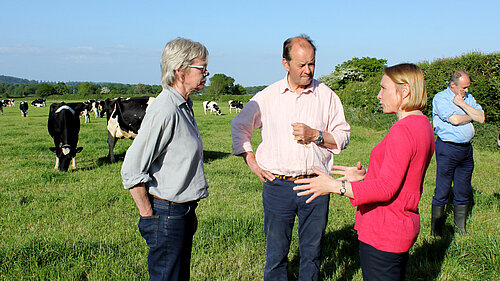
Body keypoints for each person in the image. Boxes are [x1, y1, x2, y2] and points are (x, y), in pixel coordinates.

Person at [293, 63, 435, 281]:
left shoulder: (402, 130)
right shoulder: (423, 125)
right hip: (401, 227)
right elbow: (403, 173)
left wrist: (334, 186)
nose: (379, 95)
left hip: (385, 230)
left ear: (404, 90)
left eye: (384, 88)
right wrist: (367, 175)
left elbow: (387, 188)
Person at [231, 34, 350, 281]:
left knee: (312, 252)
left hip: (316, 185)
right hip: (278, 185)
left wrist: (316, 135)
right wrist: (252, 162)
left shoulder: (326, 96)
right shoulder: (267, 97)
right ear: (285, 63)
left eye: (312, 64)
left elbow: (343, 136)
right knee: (276, 254)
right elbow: (239, 127)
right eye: (301, 65)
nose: (308, 70)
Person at [121, 37, 210, 281]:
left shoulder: (183, 105)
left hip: (180, 211)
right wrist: (148, 216)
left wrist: (189, 211)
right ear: (180, 70)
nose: (206, 73)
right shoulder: (166, 109)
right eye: (202, 68)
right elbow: (131, 168)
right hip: (165, 214)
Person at [431, 70, 485, 236]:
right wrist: (470, 115)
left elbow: (482, 117)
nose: (466, 91)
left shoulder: (467, 98)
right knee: (443, 189)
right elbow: (454, 119)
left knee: (463, 189)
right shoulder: (440, 98)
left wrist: (463, 105)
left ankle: (460, 229)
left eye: (468, 87)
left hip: (466, 150)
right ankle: (436, 230)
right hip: (447, 148)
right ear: (452, 85)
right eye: (463, 88)